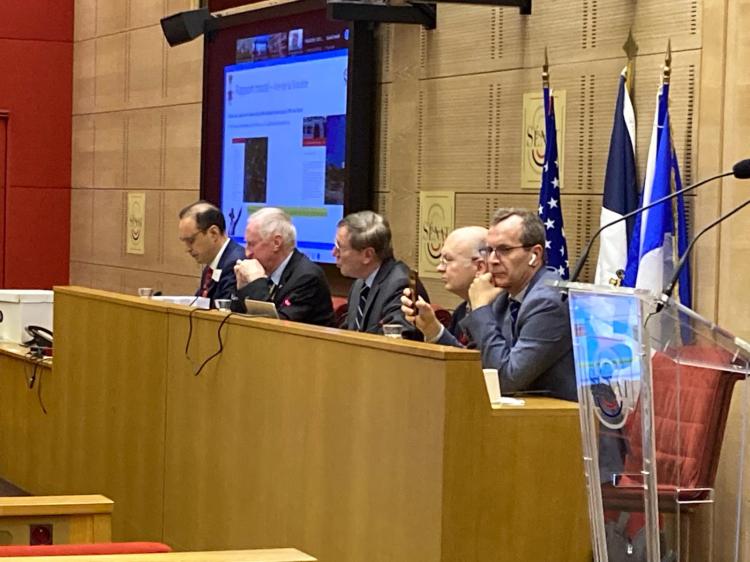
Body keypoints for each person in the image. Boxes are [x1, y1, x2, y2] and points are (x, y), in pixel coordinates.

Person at [432, 208, 576, 401]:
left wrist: (480, 308)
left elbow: (505, 380)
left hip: (554, 415)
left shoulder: (547, 303)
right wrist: (433, 330)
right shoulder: (504, 295)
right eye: (490, 250)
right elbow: (474, 362)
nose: (492, 260)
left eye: (504, 250)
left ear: (535, 255)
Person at [231, 207, 334, 326]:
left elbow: (275, 327)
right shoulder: (268, 270)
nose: (247, 253)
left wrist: (257, 281)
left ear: (276, 243)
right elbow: (236, 322)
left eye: (251, 244)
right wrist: (243, 287)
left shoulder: (307, 278)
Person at [334, 211, 428, 334]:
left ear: (368, 255)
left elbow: (396, 337)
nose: (334, 253)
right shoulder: (359, 284)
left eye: (339, 247)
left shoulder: (400, 285)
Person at [401, 226, 488, 347]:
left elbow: (475, 359)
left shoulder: (499, 315)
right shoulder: (462, 311)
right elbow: (454, 356)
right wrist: (428, 327)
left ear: (479, 267)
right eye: (441, 260)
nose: (439, 268)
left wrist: (435, 332)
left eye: (447, 260)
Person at [178, 201, 246, 303]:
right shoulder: (211, 266)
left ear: (214, 233)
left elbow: (223, 310)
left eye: (191, 241)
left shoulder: (236, 264)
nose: (187, 249)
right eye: (185, 242)